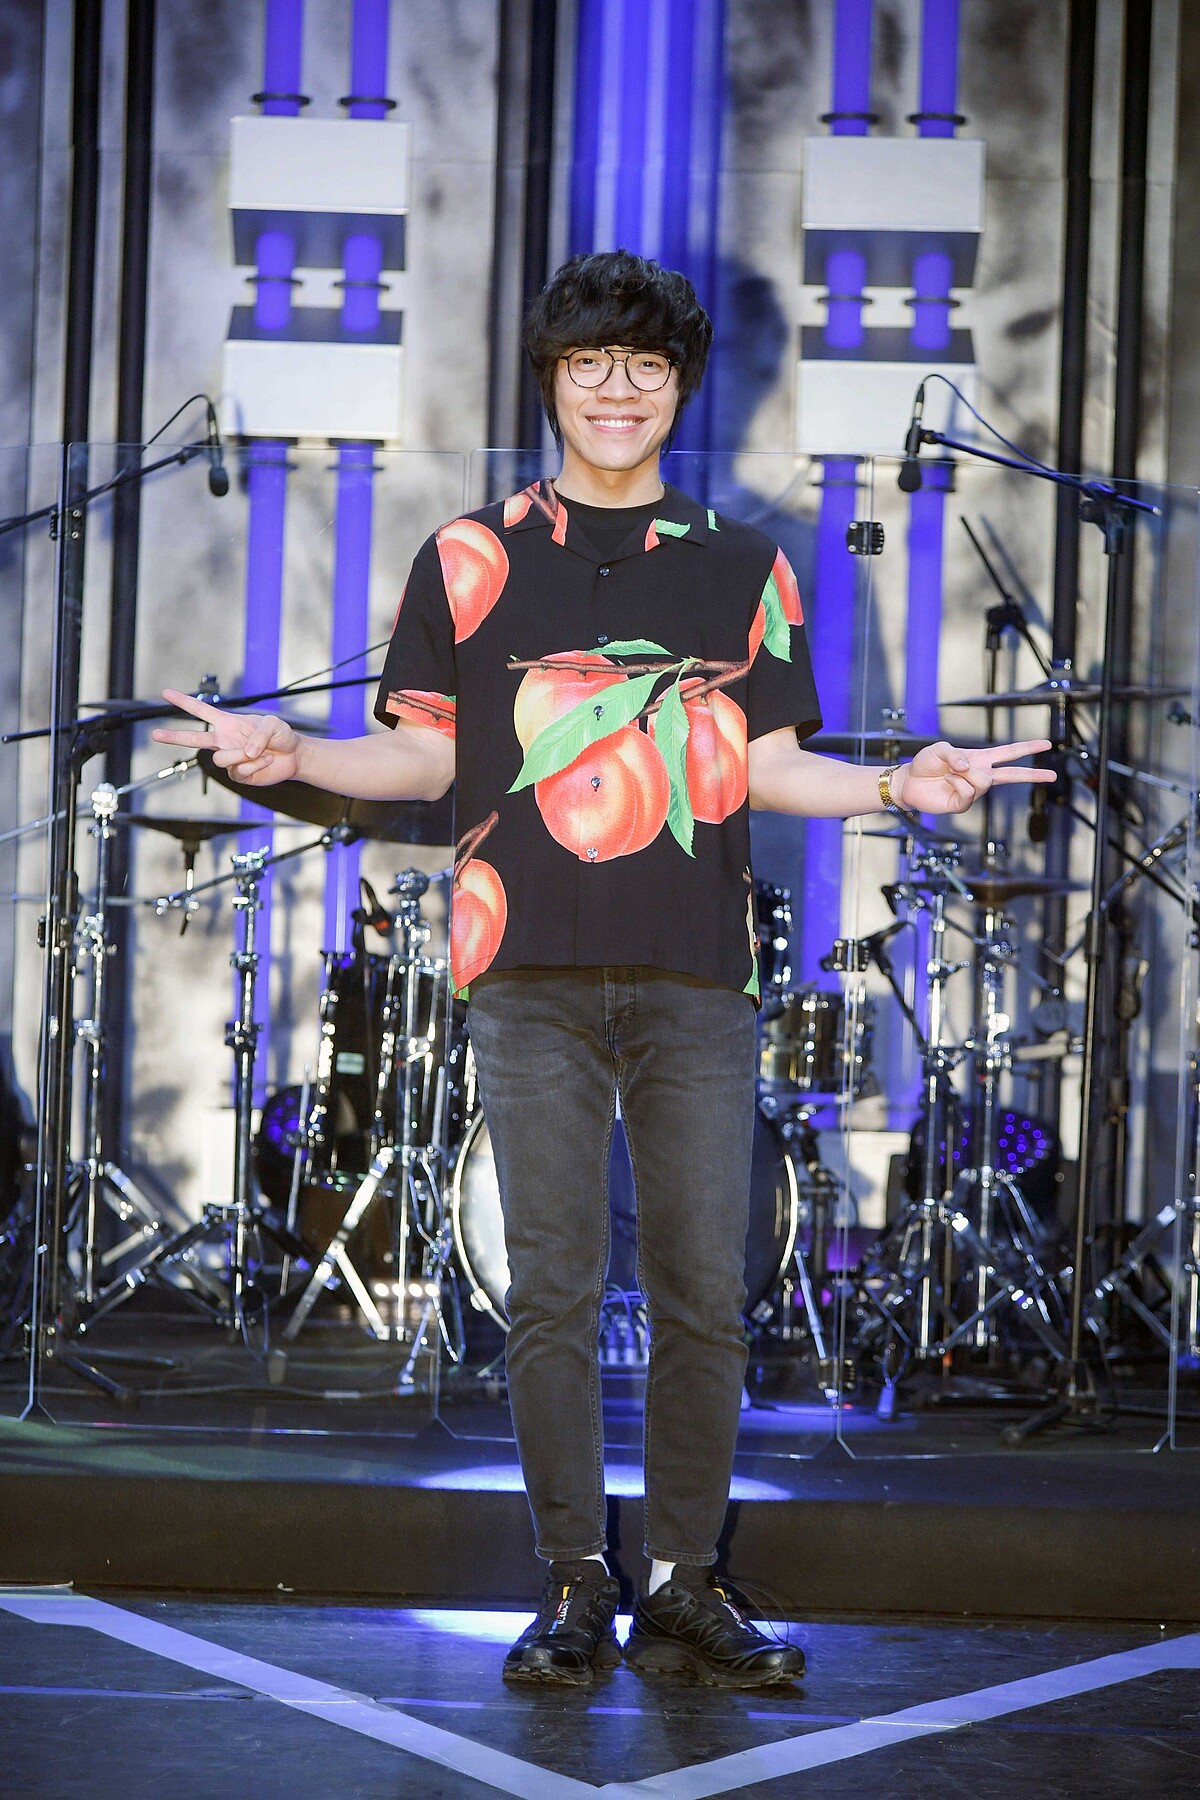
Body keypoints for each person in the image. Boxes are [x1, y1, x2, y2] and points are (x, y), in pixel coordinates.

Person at [154, 250, 1054, 1690]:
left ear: (680, 386)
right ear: (553, 382)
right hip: (524, 965)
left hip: (696, 969)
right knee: (553, 1291)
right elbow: (427, 757)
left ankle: (688, 1581)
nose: (617, 389)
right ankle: (576, 1578)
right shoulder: (471, 557)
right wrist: (295, 754)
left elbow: (769, 765)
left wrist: (902, 784)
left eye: (644, 364)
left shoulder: (743, 565)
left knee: (705, 1291)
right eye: (589, 364)